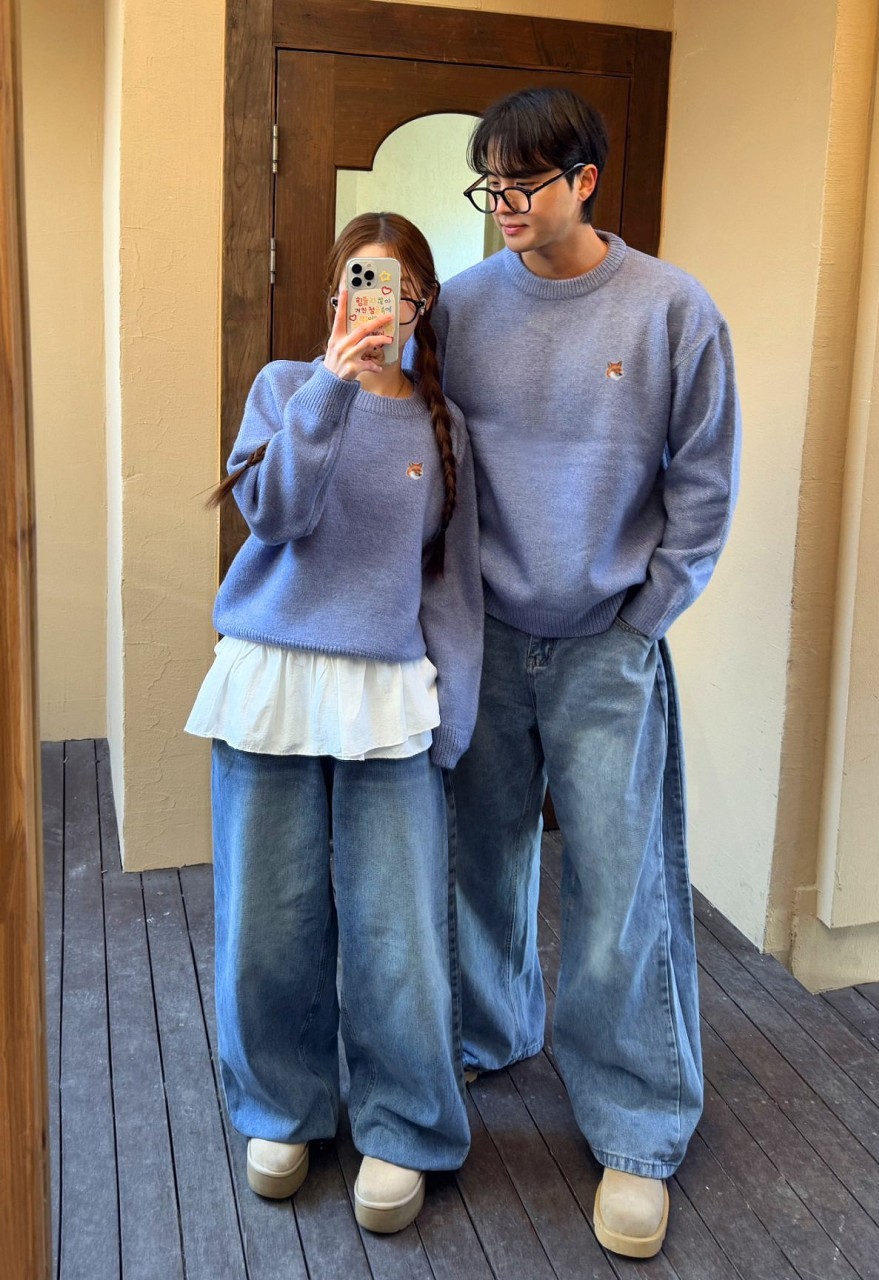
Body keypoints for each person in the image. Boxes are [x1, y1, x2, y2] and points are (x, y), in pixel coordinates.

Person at [430, 88, 741, 1259]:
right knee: (482, 857)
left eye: (526, 182)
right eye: (491, 184)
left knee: (620, 883)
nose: (505, 203)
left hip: (608, 642)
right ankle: (491, 1030)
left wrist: (644, 617)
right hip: (489, 635)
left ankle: (638, 1124)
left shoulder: (672, 309)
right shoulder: (462, 307)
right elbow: (421, 448)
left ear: (586, 180)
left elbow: (705, 482)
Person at [185, 213, 483, 1231]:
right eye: (358, 282)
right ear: (336, 294)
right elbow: (274, 515)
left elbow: (451, 586)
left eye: (393, 287)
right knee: (269, 914)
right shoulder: (285, 388)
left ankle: (403, 1122)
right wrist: (330, 387)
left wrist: (454, 716)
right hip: (271, 682)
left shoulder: (444, 428)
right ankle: (282, 1105)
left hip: (386, 698)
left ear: (421, 303)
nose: (374, 304)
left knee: (399, 926)